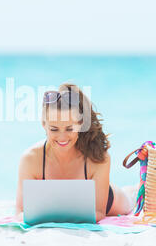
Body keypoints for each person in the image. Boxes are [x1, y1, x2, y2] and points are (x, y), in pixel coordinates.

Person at [15, 83, 136, 222]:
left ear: (81, 124)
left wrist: (55, 219)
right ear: (44, 124)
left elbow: (99, 212)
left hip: (111, 201)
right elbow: (20, 212)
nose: (62, 137)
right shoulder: (30, 159)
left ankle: (133, 190)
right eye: (54, 129)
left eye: (69, 129)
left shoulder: (97, 157)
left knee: (131, 199)